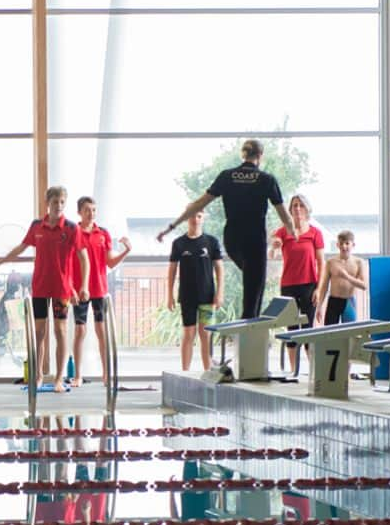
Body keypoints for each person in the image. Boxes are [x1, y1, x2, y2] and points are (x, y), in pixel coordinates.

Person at [157, 139, 294, 319]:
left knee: (253, 280)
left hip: (232, 240)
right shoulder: (267, 180)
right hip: (254, 240)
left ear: (242, 154)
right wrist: (293, 233)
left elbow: (198, 204)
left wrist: (171, 226)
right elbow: (283, 213)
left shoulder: (226, 176)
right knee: (254, 289)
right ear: (260, 156)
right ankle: (250, 327)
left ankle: (250, 319)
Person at [0, 186, 90, 393]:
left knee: (60, 331)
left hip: (62, 290)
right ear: (47, 202)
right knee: (39, 333)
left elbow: (83, 257)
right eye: (55, 201)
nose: (58, 205)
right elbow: (20, 249)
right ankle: (38, 375)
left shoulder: (70, 228)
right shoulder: (37, 226)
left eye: (62, 202)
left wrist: (82, 286)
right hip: (40, 287)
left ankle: (58, 378)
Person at [71, 197, 131, 386]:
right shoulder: (74, 233)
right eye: (87, 210)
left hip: (99, 289)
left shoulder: (103, 233)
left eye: (94, 210)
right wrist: (72, 287)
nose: (91, 213)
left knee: (101, 331)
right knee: (80, 331)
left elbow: (110, 262)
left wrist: (125, 251)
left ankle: (106, 374)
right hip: (80, 290)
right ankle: (78, 375)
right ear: (79, 212)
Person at [269, 193, 325, 370]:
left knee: (308, 327)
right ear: (290, 210)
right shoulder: (283, 231)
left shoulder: (315, 233)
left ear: (307, 209)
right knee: (291, 328)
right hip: (288, 285)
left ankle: (313, 370)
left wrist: (319, 289)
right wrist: (275, 246)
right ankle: (293, 370)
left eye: (301, 205)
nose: (298, 208)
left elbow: (321, 262)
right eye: (294, 205)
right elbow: (273, 250)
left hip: (309, 285)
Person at [166, 211, 225, 371]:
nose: (195, 219)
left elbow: (219, 268)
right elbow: (172, 270)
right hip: (187, 297)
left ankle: (208, 373)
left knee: (205, 335)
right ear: (186, 218)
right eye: (192, 216)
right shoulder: (178, 243)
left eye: (199, 216)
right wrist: (169, 295)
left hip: (207, 297)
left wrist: (219, 293)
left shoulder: (211, 242)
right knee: (188, 334)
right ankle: (185, 372)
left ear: (203, 218)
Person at [318, 230, 368, 325]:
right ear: (337, 245)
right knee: (330, 334)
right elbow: (324, 286)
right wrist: (319, 306)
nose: (344, 246)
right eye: (341, 243)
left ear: (353, 245)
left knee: (349, 334)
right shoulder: (331, 262)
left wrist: (347, 277)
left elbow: (364, 285)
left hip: (349, 301)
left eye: (347, 243)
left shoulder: (358, 262)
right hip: (333, 301)